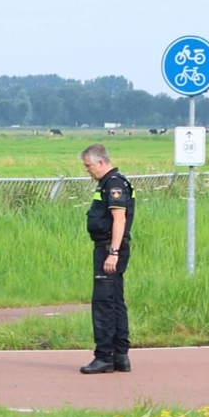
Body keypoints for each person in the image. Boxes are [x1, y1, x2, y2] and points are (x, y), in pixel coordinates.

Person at [79, 144, 135, 375]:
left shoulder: (113, 184)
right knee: (115, 301)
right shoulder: (110, 183)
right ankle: (120, 356)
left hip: (109, 249)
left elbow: (119, 220)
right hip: (110, 248)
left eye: (88, 166)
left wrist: (112, 252)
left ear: (100, 162)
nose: (87, 171)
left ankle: (104, 357)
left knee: (103, 303)